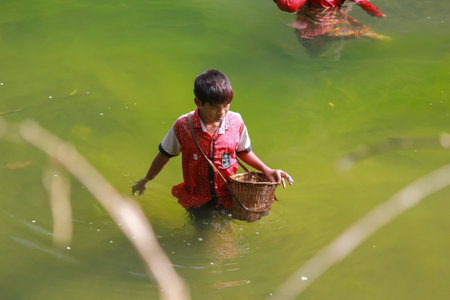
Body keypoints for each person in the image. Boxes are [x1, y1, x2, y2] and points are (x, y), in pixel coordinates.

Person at [132, 69, 293, 215]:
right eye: (215, 107)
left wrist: (267, 170)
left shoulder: (236, 121)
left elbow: (244, 151)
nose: (222, 112)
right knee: (205, 232)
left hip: (230, 195)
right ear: (198, 102)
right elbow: (164, 155)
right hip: (197, 199)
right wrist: (146, 179)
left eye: (226, 105)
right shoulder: (183, 126)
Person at [273, 0, 390, 57]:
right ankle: (378, 37)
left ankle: (317, 57)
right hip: (332, 16)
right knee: (355, 29)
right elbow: (364, 3)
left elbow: (289, 5)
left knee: (314, 49)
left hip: (311, 21)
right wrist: (377, 14)